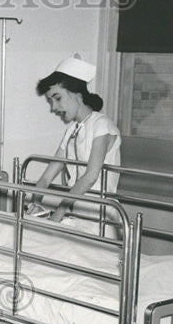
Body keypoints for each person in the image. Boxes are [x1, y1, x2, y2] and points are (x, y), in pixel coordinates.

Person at [27, 55, 122, 231]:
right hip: (78, 212)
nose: (54, 107)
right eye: (50, 101)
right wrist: (35, 203)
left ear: (77, 95)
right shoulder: (72, 130)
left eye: (57, 98)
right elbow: (47, 177)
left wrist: (59, 212)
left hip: (100, 216)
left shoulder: (102, 125)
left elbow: (90, 177)